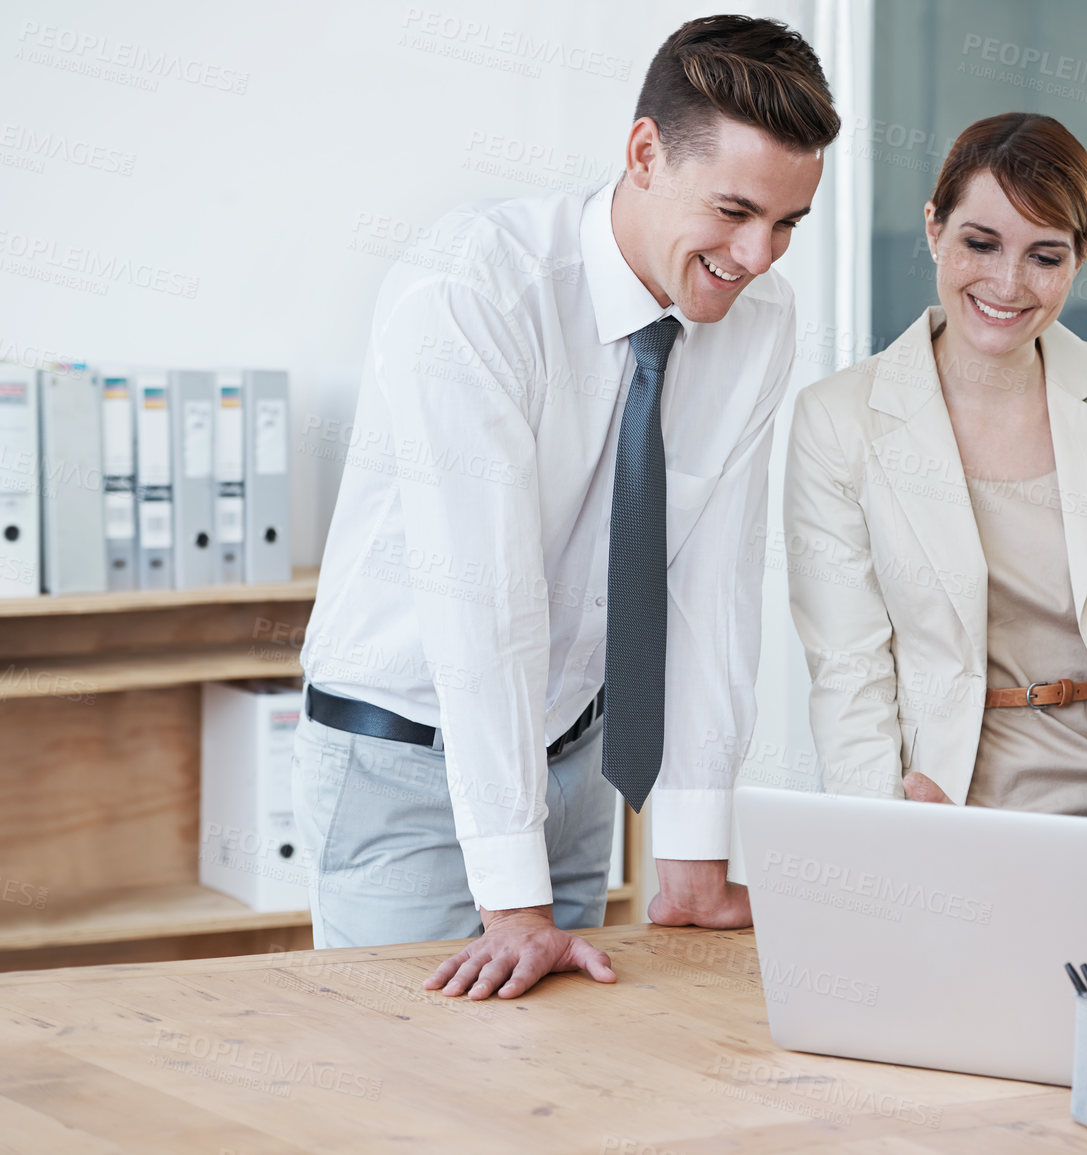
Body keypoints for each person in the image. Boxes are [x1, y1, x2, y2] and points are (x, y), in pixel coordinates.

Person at [293, 15, 839, 999]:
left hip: (577, 755)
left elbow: (712, 592)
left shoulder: (758, 320)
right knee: (405, 1099)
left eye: (789, 223)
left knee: (555, 1090)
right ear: (643, 154)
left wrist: (693, 860)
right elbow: (482, 600)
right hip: (408, 757)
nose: (760, 254)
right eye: (735, 211)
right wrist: (514, 902)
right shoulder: (476, 289)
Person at [784, 113, 1087, 815]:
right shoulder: (839, 418)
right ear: (933, 229)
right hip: (950, 800)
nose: (1007, 284)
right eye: (980, 244)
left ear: (1081, 255)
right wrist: (879, 822)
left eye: (1044, 256)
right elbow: (848, 665)